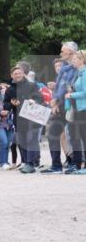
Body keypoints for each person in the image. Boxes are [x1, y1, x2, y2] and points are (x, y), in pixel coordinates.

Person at [44, 43, 79, 174]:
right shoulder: (64, 68)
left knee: (73, 136)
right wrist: (55, 101)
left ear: (70, 52)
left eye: (62, 51)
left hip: (72, 106)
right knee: (52, 133)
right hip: (60, 106)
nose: (60, 53)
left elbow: (69, 88)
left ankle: (75, 163)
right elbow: (59, 86)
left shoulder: (77, 68)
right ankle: (56, 165)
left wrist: (57, 102)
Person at [3, 63, 43, 173]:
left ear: (23, 74)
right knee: (23, 141)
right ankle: (27, 162)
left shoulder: (32, 85)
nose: (18, 75)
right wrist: (11, 103)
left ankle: (31, 163)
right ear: (12, 76)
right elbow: (6, 104)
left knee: (31, 140)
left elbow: (40, 98)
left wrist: (34, 101)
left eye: (19, 73)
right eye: (15, 73)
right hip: (19, 119)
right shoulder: (10, 90)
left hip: (32, 117)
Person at [63, 49, 86, 174]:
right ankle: (79, 164)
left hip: (83, 109)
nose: (73, 61)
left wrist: (71, 95)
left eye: (75, 59)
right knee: (78, 137)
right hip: (77, 109)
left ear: (82, 60)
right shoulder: (78, 73)